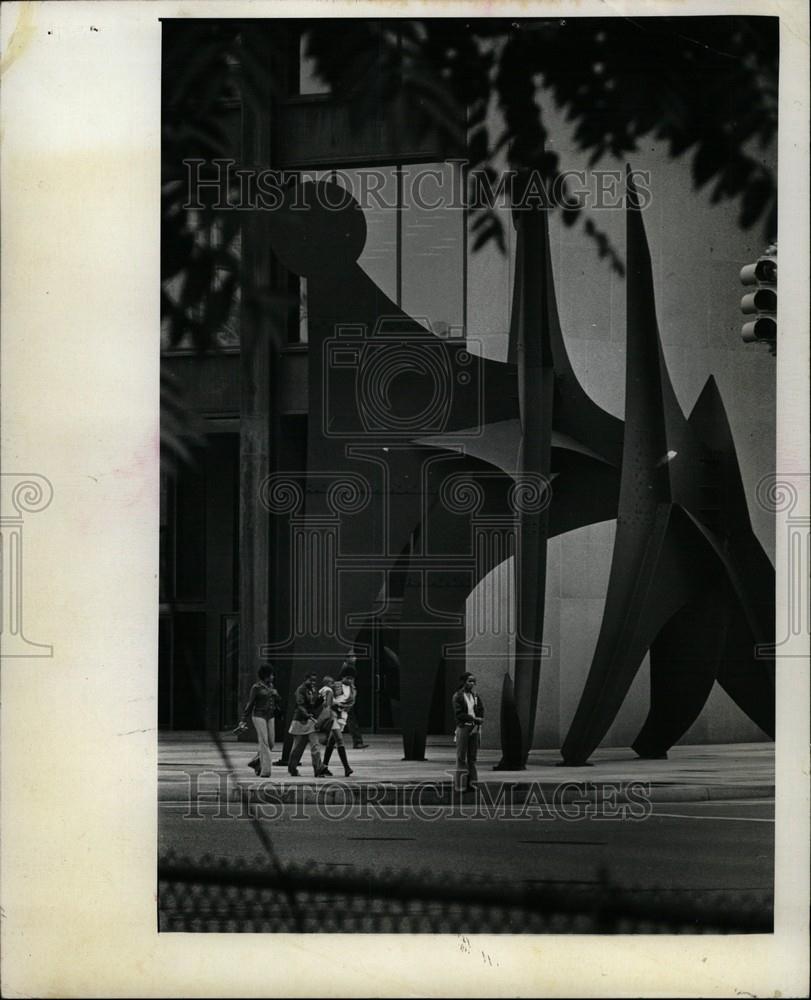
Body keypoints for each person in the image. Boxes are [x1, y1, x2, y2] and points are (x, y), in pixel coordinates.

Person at [239, 664, 280, 778]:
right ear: (266, 675)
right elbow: (250, 703)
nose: (273, 677)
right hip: (259, 715)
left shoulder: (271, 686)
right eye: (271, 675)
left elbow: (277, 700)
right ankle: (265, 771)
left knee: (271, 743)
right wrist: (243, 719)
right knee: (264, 742)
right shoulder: (256, 687)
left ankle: (256, 762)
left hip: (270, 716)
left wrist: (276, 695)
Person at [287, 672, 326, 777]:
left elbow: (313, 705)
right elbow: (300, 705)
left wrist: (321, 699)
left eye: (314, 680)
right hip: (300, 721)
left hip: (310, 721)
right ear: (306, 679)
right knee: (297, 749)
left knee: (315, 746)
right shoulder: (300, 690)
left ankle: (318, 769)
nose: (313, 682)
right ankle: (292, 768)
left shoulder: (312, 690)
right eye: (311, 680)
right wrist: (307, 714)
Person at [452, 672, 484, 793]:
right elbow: (459, 714)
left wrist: (480, 719)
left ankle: (473, 784)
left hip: (474, 728)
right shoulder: (458, 696)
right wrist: (473, 719)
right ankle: (460, 786)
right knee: (461, 757)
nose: (472, 684)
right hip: (464, 727)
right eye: (470, 681)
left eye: (473, 681)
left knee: (472, 757)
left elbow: (480, 709)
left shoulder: (475, 696)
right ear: (463, 682)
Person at [319, 675, 354, 778]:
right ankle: (347, 767)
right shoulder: (330, 689)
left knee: (331, 741)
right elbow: (327, 702)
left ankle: (324, 767)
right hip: (333, 716)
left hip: (341, 716)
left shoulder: (352, 689)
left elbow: (350, 702)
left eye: (351, 678)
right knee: (339, 739)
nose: (333, 684)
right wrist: (337, 704)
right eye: (348, 677)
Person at [339, 651, 368, 749]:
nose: (355, 658)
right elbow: (346, 683)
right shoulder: (347, 668)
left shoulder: (349, 667)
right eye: (352, 656)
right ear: (346, 658)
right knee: (351, 719)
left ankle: (328, 739)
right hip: (346, 697)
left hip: (346, 696)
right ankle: (357, 741)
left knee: (342, 719)